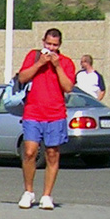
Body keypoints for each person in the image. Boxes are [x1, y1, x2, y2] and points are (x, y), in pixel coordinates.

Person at [15, 28, 76, 209]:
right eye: (48, 44)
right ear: (43, 42)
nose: (51, 48)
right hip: (33, 112)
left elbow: (68, 87)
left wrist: (56, 66)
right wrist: (39, 64)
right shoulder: (33, 56)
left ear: (60, 46)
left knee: (52, 154)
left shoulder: (66, 63)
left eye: (55, 45)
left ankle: (47, 195)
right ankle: (28, 192)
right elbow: (23, 77)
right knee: (29, 152)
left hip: (55, 114)